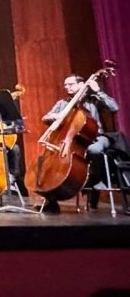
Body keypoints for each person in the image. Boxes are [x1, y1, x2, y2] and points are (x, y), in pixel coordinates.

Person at [41, 74, 120, 212]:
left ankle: (94, 180)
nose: (67, 87)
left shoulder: (94, 100)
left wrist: (98, 91)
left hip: (96, 136)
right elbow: (45, 118)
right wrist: (52, 117)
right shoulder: (62, 103)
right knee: (51, 162)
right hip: (72, 140)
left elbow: (114, 107)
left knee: (94, 150)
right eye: (65, 85)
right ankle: (51, 198)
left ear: (82, 84)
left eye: (70, 84)